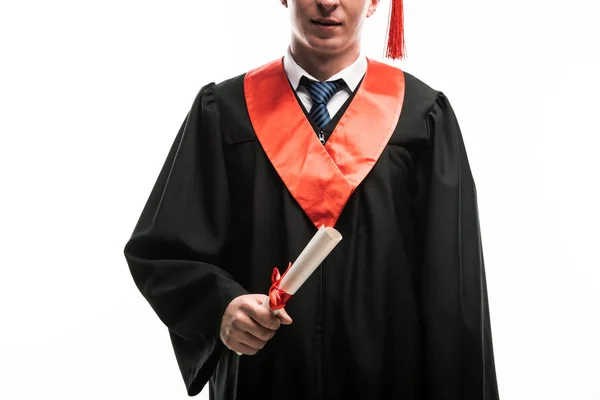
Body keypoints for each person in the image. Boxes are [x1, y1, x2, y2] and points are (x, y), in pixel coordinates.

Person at [123, 0, 500, 399]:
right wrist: (220, 307)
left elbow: (453, 296)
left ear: (375, 2)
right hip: (262, 380)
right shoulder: (225, 113)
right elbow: (162, 252)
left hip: (389, 380)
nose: (328, 2)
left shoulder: (422, 119)